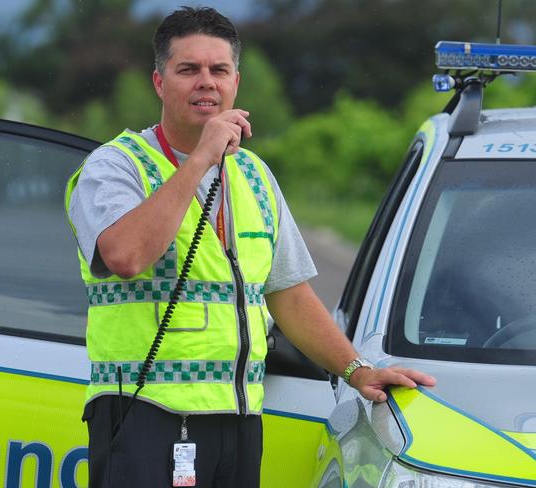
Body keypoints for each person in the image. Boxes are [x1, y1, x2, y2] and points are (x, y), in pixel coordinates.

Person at [65, 6, 436, 488]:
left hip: (237, 418)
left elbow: (288, 295)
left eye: (219, 70)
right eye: (188, 70)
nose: (206, 82)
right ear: (159, 83)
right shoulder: (115, 167)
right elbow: (126, 256)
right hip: (144, 412)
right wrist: (200, 157)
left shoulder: (254, 175)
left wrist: (356, 370)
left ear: (236, 82)